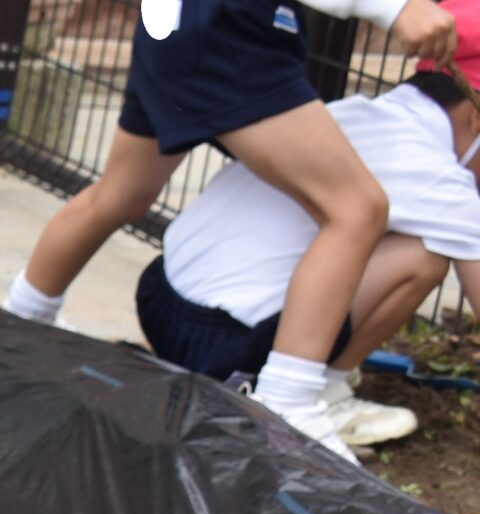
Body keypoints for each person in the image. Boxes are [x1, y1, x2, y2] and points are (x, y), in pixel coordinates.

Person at [1, 0, 459, 456]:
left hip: (177, 21)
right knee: (357, 209)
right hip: (229, 31)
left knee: (122, 192)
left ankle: (20, 319)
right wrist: (394, 7)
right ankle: (289, 401)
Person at [139, 65, 480, 452]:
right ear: (473, 115)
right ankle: (310, 396)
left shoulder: (358, 111)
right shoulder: (438, 176)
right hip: (222, 343)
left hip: (159, 295)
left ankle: (306, 378)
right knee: (423, 257)